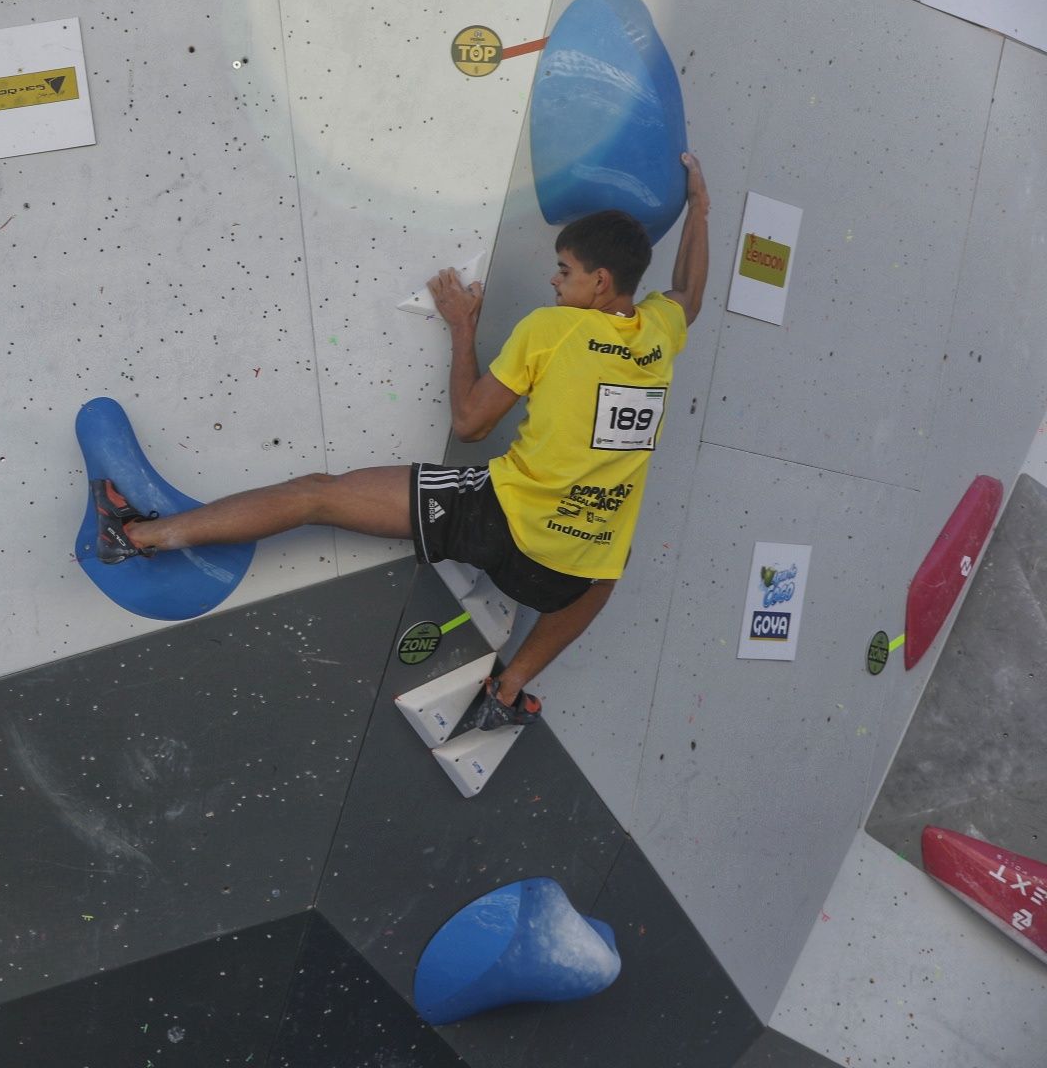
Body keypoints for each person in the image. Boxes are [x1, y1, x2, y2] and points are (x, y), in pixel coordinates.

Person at [95, 153, 711, 730]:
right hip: (564, 578)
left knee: (317, 495)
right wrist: (700, 212)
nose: (554, 281)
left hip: (498, 520)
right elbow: (690, 292)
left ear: (600, 282)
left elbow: (470, 422)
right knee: (609, 562)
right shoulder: (660, 332)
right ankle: (507, 690)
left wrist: (462, 327)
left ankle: (137, 536)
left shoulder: (554, 328)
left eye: (565, 270)